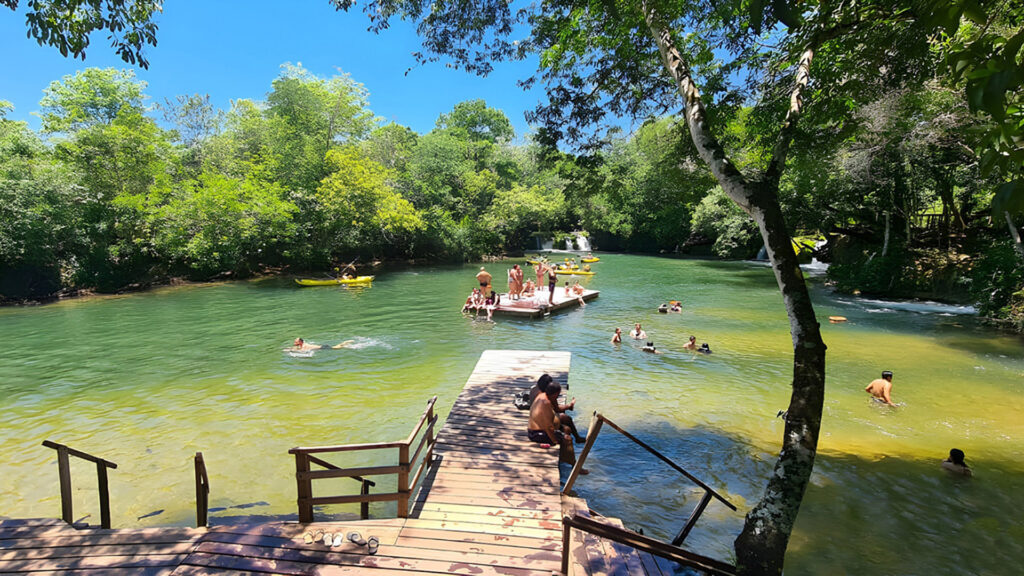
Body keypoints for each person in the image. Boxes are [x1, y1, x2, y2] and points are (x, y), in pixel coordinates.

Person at [527, 381, 586, 471]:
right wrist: (554, 440)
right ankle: (575, 466)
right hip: (536, 433)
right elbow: (548, 427)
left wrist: (569, 406)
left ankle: (574, 443)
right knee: (567, 439)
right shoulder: (545, 403)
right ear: (555, 394)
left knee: (566, 427)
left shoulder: (544, 396)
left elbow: (557, 409)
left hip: (541, 428)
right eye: (558, 395)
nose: (558, 397)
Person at [527, 374, 585, 442]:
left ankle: (577, 438)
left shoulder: (538, 392)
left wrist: (569, 406)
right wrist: (555, 441)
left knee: (566, 422)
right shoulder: (546, 400)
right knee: (567, 430)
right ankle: (574, 440)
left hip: (535, 426)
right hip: (539, 430)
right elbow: (549, 426)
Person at [288, 338, 354, 351]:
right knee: (336, 347)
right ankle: (345, 343)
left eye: (295, 342)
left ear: (300, 342)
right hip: (322, 347)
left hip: (323, 347)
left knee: (336, 348)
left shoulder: (304, 346)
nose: (294, 343)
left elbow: (301, 350)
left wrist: (291, 350)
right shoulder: (303, 344)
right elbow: (298, 348)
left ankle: (345, 343)